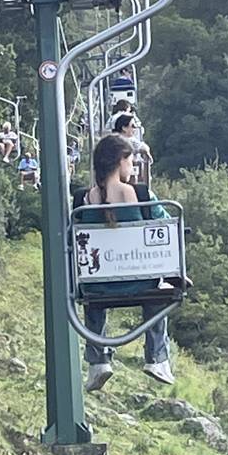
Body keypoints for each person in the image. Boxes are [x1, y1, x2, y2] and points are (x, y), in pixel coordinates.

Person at [75, 134, 175, 391]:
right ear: (121, 161)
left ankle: (99, 362)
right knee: (160, 292)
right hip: (141, 283)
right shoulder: (140, 194)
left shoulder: (83, 202)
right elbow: (165, 223)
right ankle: (157, 357)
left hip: (99, 286)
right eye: (130, 161)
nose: (132, 167)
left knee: (92, 288)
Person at [112, 113, 152, 182]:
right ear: (124, 128)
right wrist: (148, 155)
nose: (135, 128)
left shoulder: (111, 141)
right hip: (129, 178)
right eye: (132, 126)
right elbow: (144, 148)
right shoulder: (129, 141)